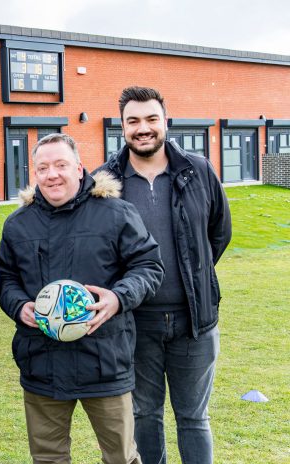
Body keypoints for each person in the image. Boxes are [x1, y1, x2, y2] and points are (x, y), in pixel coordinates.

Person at [0, 133, 164, 464]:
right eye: (42, 168)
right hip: (41, 363)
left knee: (121, 457)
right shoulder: (18, 225)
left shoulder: (116, 213)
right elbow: (5, 278)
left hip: (104, 360)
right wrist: (18, 305)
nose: (52, 174)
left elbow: (148, 266)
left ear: (79, 168)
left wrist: (118, 298)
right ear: (34, 174)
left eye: (61, 165)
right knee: (48, 458)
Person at [96, 86, 232, 464]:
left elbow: (219, 233)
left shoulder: (198, 170)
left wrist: (193, 276)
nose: (143, 128)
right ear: (121, 127)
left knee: (194, 418)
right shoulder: (104, 182)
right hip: (134, 323)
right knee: (144, 415)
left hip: (195, 320)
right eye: (133, 121)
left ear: (165, 122)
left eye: (151, 119)